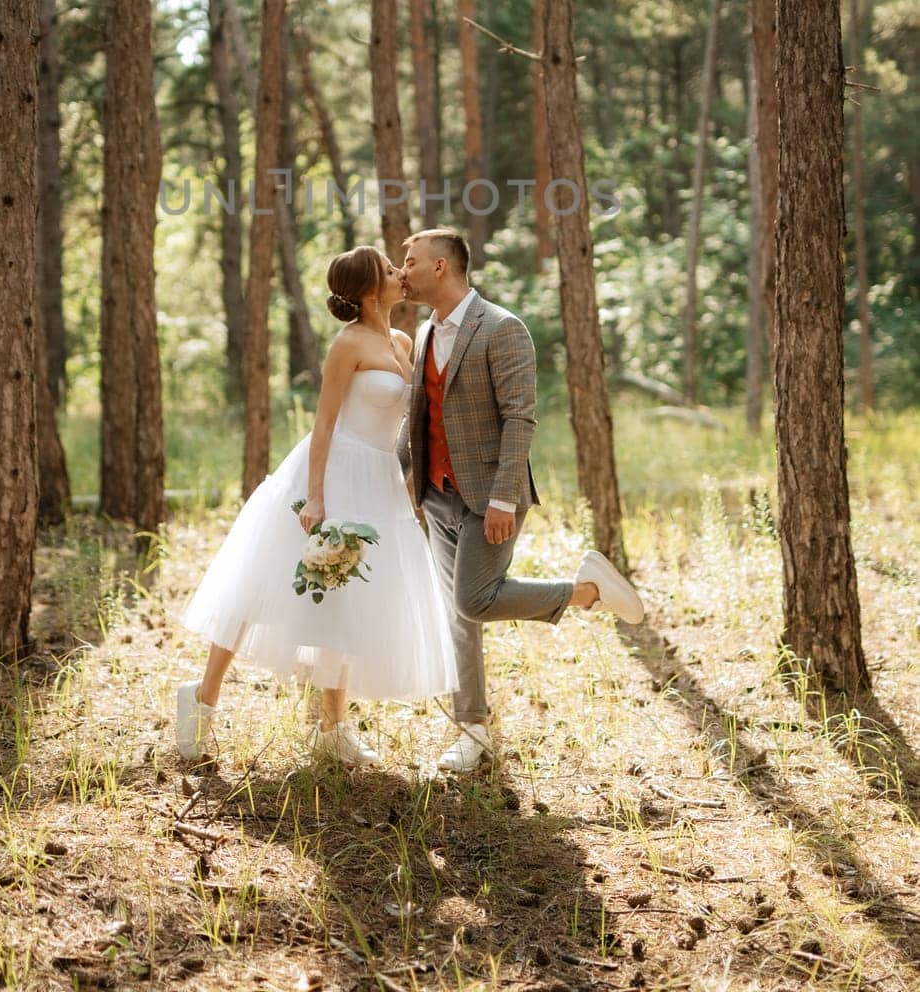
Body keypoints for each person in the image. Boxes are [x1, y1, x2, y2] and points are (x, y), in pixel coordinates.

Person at [175, 246, 459, 768]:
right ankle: (202, 697)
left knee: (348, 596)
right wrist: (316, 496)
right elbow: (324, 424)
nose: (402, 275)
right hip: (330, 471)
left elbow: (414, 422)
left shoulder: (401, 340)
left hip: (378, 479)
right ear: (371, 289)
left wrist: (412, 481)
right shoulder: (347, 344)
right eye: (392, 270)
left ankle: (333, 729)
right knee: (260, 583)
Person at [397, 227, 644, 775]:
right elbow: (418, 419)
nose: (402, 271)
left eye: (410, 261)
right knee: (457, 616)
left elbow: (520, 418)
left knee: (474, 601)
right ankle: (473, 729)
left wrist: (506, 497)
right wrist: (397, 480)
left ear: (441, 267)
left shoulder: (502, 328)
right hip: (436, 496)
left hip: (490, 496)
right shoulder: (423, 334)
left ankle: (586, 592)